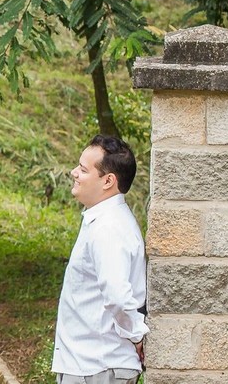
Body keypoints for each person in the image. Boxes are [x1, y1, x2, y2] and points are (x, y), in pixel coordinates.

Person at [52, 134, 148, 384]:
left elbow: (117, 294)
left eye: (83, 170)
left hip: (98, 368)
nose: (74, 172)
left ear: (108, 181)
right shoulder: (104, 221)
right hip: (90, 365)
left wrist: (137, 336)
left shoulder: (109, 228)